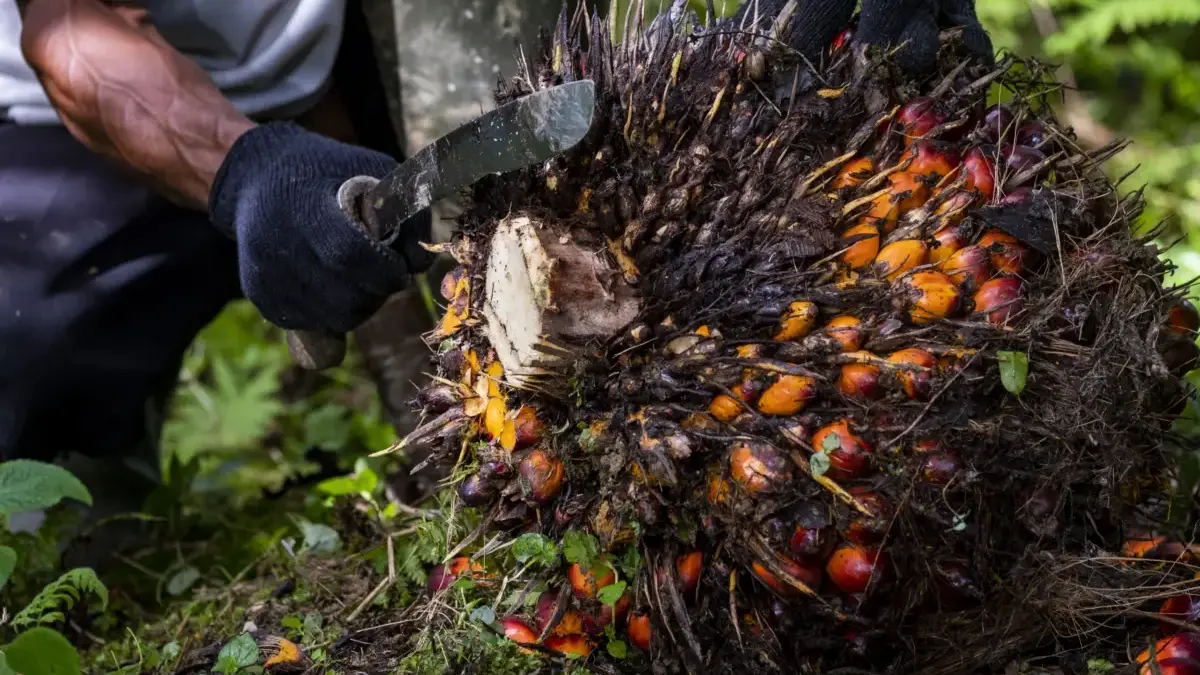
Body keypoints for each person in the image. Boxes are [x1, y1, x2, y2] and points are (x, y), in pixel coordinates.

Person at [0, 0, 991, 519]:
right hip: (106, 94)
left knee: (532, 224)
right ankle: (92, 528)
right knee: (36, 346)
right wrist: (240, 173)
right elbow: (71, 31)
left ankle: (479, 405)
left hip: (369, 30)